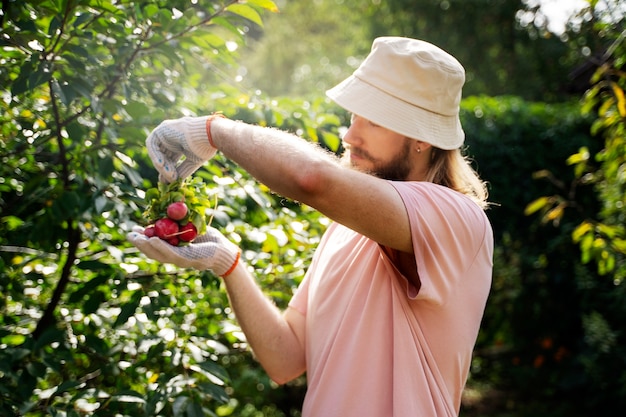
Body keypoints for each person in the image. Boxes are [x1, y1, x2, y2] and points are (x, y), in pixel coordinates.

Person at [128, 36, 493, 417]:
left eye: (373, 120)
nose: (350, 135)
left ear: (422, 136)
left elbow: (312, 179)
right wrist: (227, 262)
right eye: (354, 116)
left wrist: (211, 131)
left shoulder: (457, 219)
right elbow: (284, 358)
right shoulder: (346, 230)